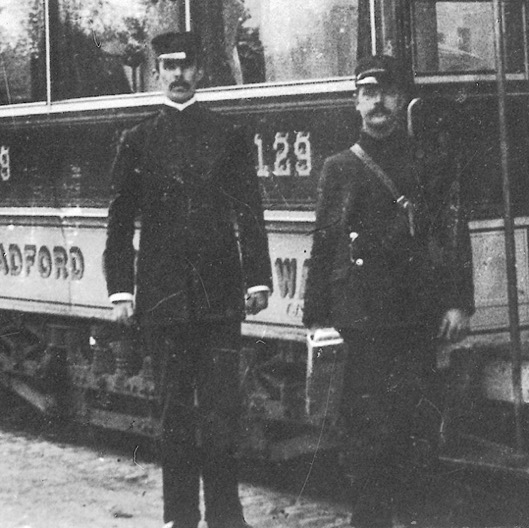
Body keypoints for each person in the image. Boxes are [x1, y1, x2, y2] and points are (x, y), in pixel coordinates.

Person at [104, 32, 272, 528]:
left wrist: (258, 279)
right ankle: (180, 518)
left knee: (222, 418)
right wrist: (121, 290)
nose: (178, 75)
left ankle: (226, 517)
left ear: (201, 72)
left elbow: (250, 212)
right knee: (173, 418)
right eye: (169, 66)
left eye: (187, 66)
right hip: (163, 303)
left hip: (220, 300)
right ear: (157, 72)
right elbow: (119, 222)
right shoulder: (136, 140)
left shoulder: (229, 135)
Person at [302, 54, 475, 528]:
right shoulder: (339, 168)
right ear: (356, 103)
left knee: (416, 434)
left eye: (387, 93)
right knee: (366, 438)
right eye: (368, 94)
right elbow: (324, 244)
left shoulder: (427, 163)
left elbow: (451, 231)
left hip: (415, 317)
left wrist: (459, 302)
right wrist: (316, 318)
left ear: (402, 100)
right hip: (360, 322)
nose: (378, 102)